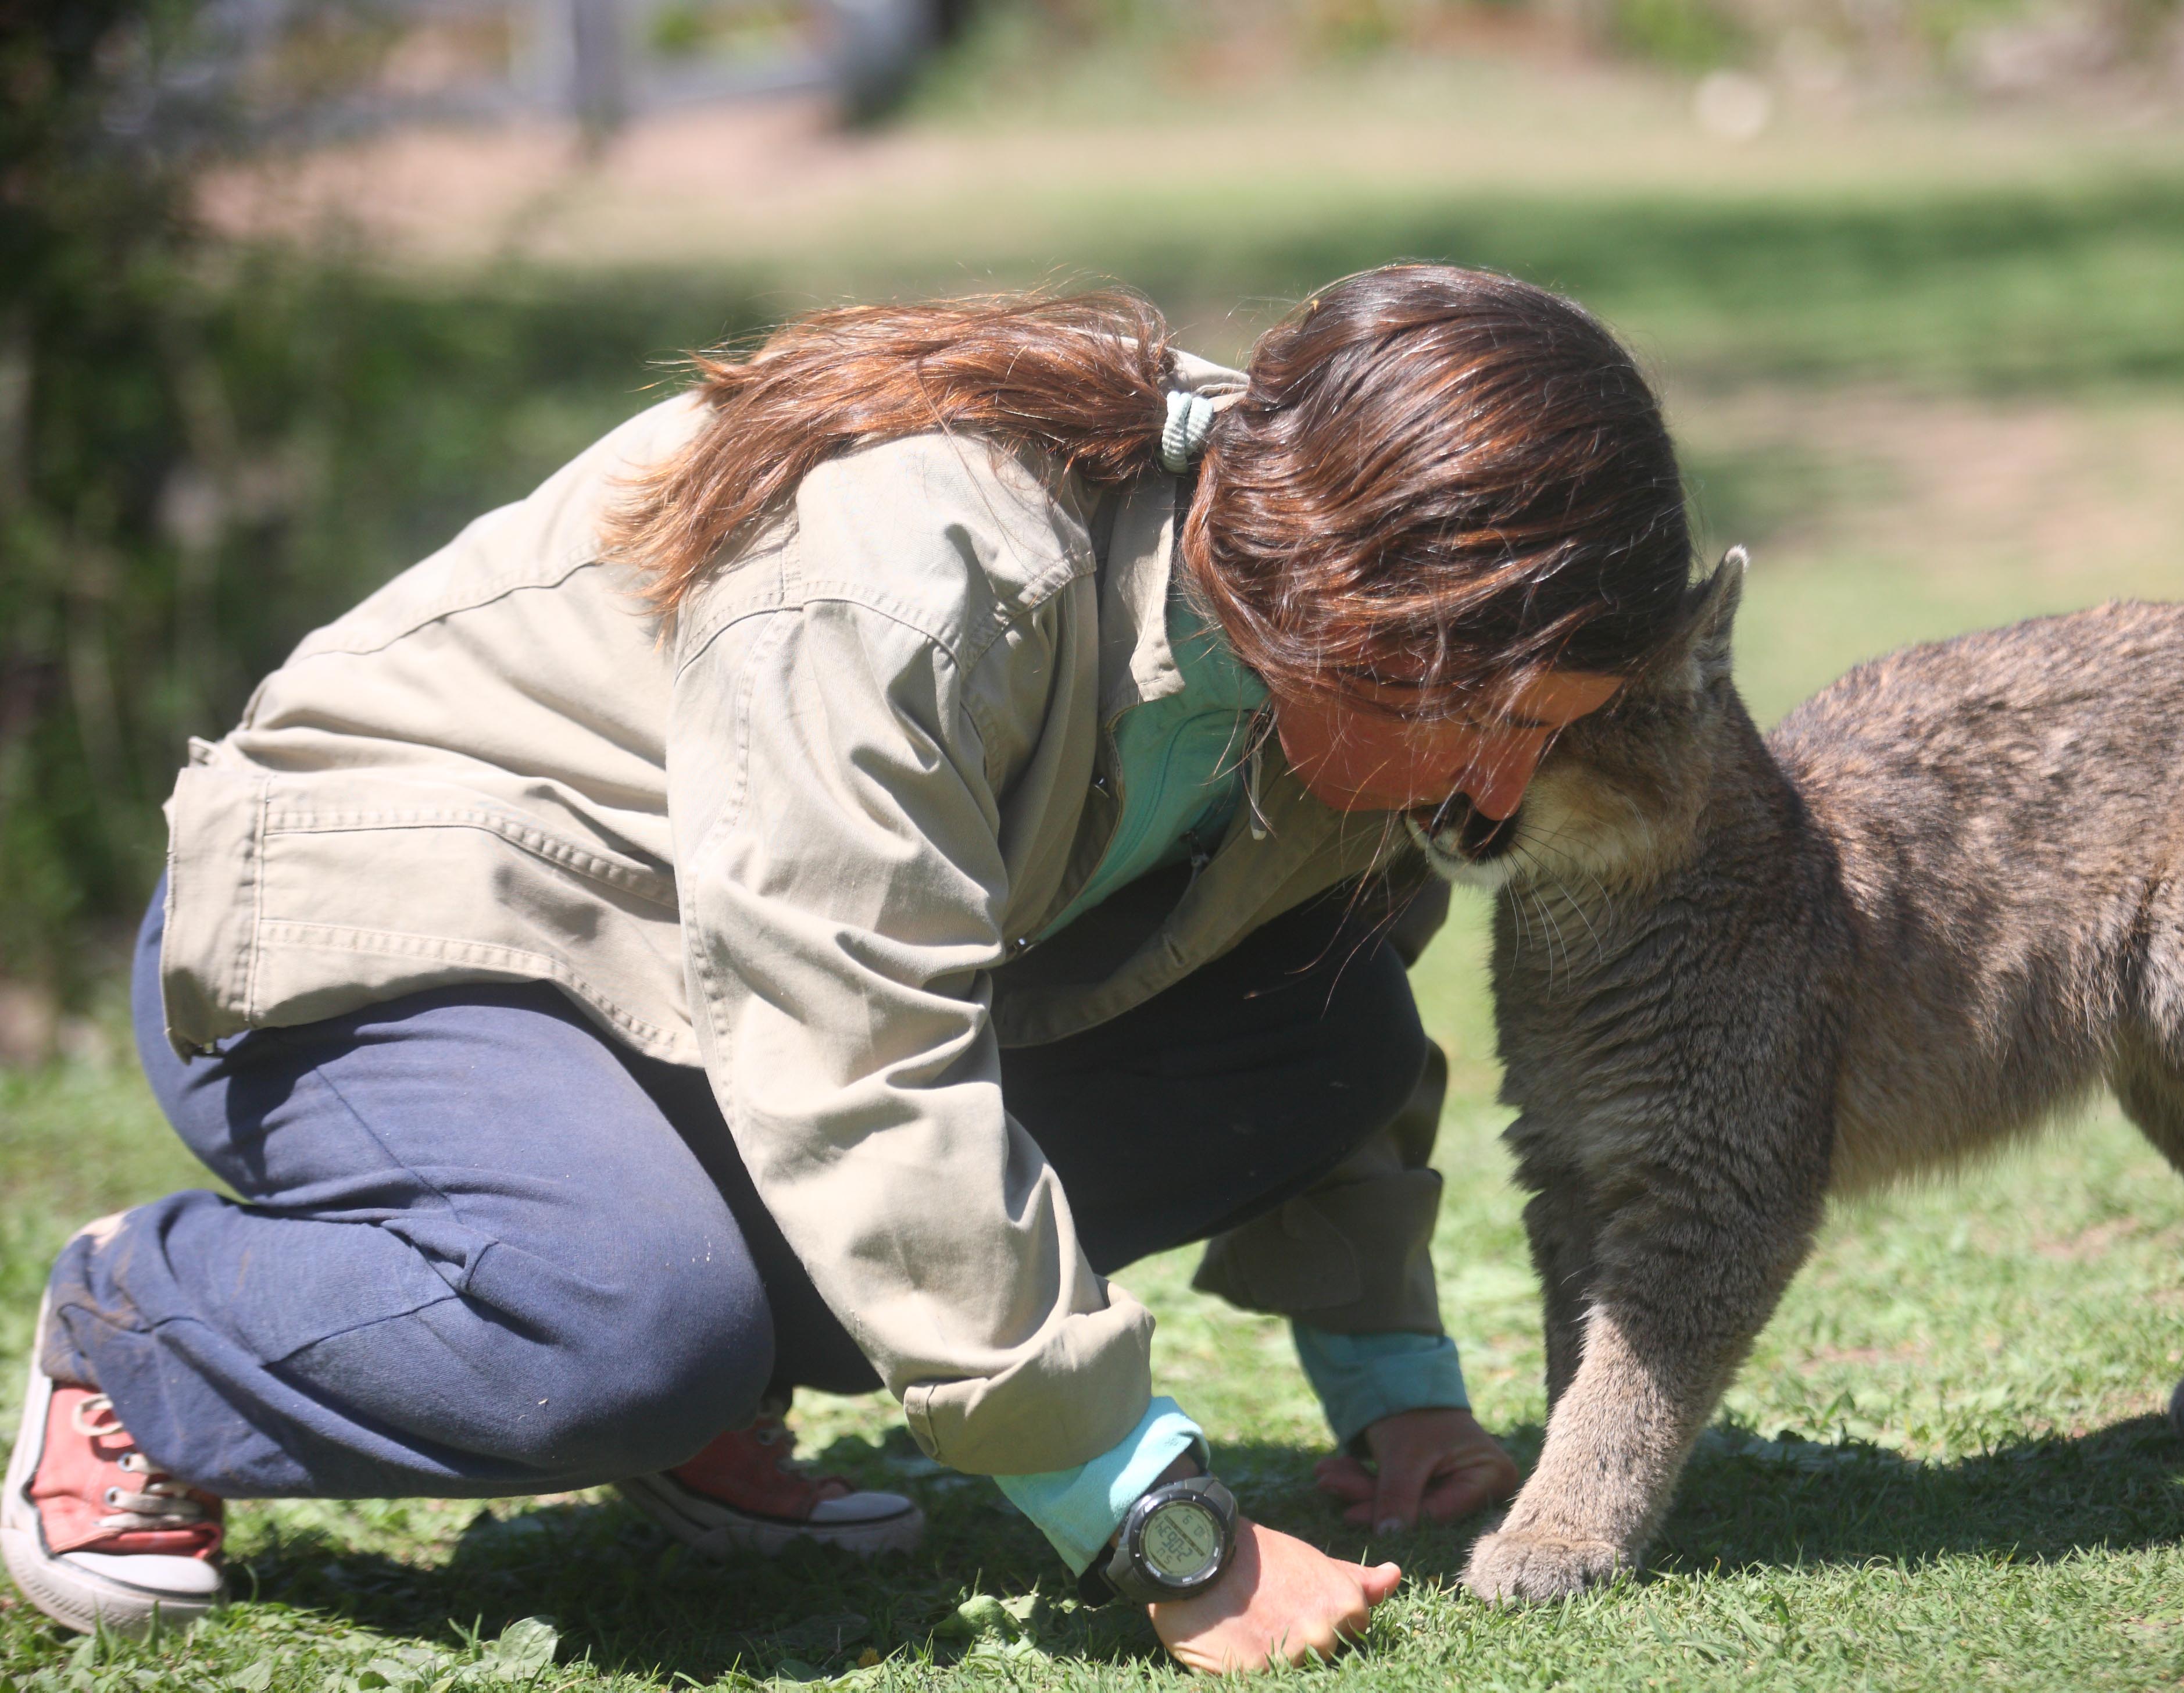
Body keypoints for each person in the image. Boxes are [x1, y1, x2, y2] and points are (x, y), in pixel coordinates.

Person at [1, 264, 1697, 1671]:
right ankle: (148, 1341)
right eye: (1496, 723)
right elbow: (859, 1058)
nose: (1497, 791)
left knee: (1314, 1034)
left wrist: (1398, 1393)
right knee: (618, 1322)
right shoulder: (916, 580)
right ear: (1359, 612)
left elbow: (1320, 1047)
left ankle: (697, 1364)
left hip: (698, 981)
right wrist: (1156, 1516)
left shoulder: (1316, 646)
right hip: (390, 915)